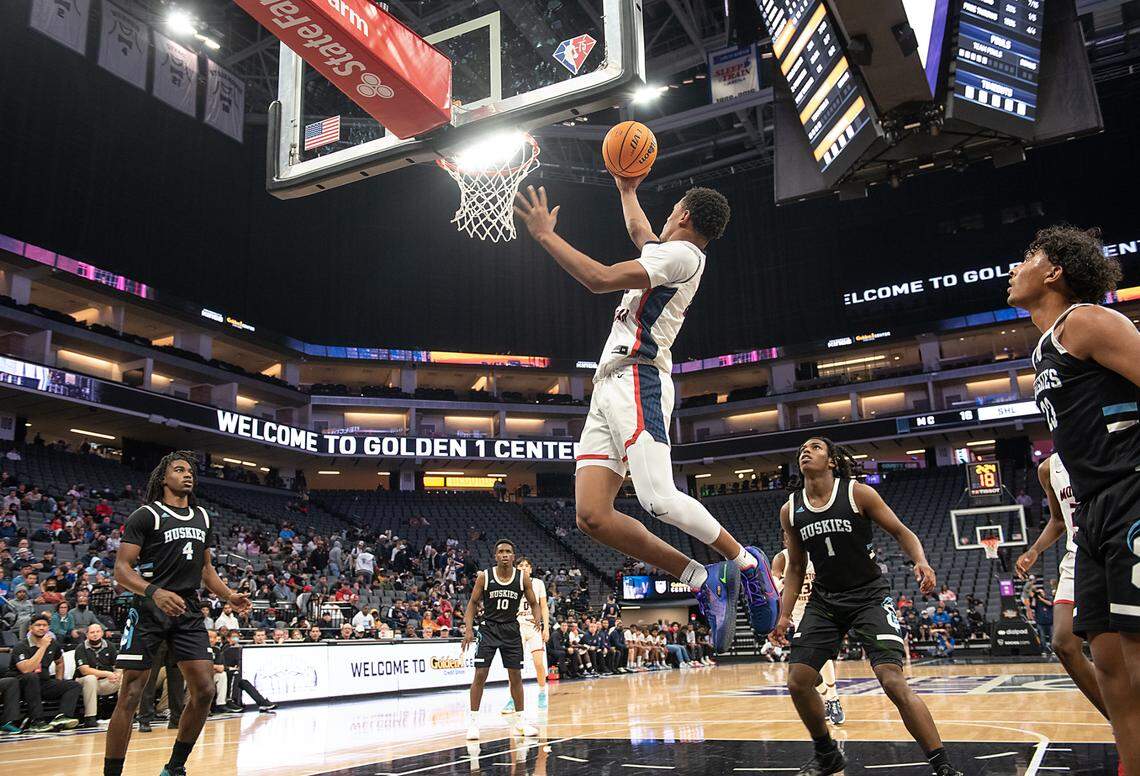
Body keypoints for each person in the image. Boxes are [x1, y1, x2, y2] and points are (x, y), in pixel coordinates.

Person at [514, 182, 778, 652]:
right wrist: (625, 187)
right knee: (592, 516)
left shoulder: (683, 258)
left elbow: (598, 278)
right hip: (607, 386)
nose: (666, 215)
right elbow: (640, 229)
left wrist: (544, 236)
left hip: (639, 379)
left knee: (659, 498)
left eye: (673, 209)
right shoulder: (669, 253)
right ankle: (702, 579)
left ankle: (746, 563)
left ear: (685, 217)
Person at [1008, 225, 1140, 774]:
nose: (1014, 269)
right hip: (1089, 510)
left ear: (1055, 272)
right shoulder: (1043, 347)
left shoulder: (1085, 320)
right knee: (1106, 661)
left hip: (1131, 492)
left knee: (1136, 657)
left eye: (1027, 258)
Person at [770, 438, 961, 776]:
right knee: (798, 681)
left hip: (869, 596)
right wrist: (784, 616)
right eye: (802, 448)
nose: (805, 450)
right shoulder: (791, 509)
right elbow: (796, 567)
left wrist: (921, 561)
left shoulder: (858, 493)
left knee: (892, 681)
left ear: (831, 461)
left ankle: (943, 765)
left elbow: (902, 532)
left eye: (815, 447)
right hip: (825, 600)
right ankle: (827, 755)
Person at [103, 452, 251, 776]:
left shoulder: (203, 517)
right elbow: (121, 569)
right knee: (129, 694)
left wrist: (229, 595)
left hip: (187, 609)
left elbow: (207, 570)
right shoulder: (146, 515)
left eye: (191, 471)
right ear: (163, 477)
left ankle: (174, 767)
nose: (187, 475)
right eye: (179, 469)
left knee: (205, 690)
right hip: (149, 607)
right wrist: (155, 592)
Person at [1015, 454, 1108, 717]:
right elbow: (1058, 520)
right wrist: (1034, 550)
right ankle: (1120, 721)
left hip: (1112, 548)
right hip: (1077, 556)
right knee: (1063, 643)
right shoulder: (1048, 468)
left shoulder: (1105, 445)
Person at [461, 539, 540, 740]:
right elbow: (472, 604)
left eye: (508, 551)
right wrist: (468, 629)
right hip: (488, 629)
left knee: (515, 676)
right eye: (501, 552)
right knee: (480, 674)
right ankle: (473, 723)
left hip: (512, 630)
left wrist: (537, 619)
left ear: (513, 556)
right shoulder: (484, 577)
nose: (504, 554)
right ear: (495, 556)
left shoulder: (523, 578)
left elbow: (534, 602)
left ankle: (521, 721)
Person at [772, 529, 844, 726]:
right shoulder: (782, 558)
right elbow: (774, 579)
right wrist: (782, 583)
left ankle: (834, 699)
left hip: (819, 611)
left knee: (822, 658)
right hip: (796, 616)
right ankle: (830, 698)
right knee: (801, 670)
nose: (791, 540)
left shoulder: (816, 554)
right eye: (787, 537)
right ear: (784, 540)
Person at [10, 614, 81, 732]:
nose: (42, 628)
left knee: (73, 685)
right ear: (30, 628)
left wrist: (58, 680)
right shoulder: (21, 646)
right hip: (21, 685)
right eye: (38, 625)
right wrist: (42, 647)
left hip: (43, 683)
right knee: (32, 677)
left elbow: (59, 662)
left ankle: (61, 717)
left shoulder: (53, 644)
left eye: (44, 625)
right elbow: (26, 669)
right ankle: (37, 721)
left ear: (48, 628)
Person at [502, 556, 549, 715]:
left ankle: (542, 692)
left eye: (527, 565)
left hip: (534, 627)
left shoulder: (538, 584)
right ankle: (512, 699)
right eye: (521, 565)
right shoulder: (511, 583)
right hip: (516, 628)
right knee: (514, 666)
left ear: (531, 568)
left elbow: (544, 608)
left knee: (538, 663)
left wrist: (546, 628)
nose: (524, 567)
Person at [75, 622, 120, 728]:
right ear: (87, 635)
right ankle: (90, 718)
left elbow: (118, 666)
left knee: (124, 678)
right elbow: (84, 670)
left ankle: (126, 713)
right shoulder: (81, 648)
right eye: (92, 632)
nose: (95, 634)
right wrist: (108, 673)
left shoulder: (110, 646)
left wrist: (117, 674)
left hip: (105, 682)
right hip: (83, 683)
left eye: (97, 631)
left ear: (102, 633)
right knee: (90, 678)